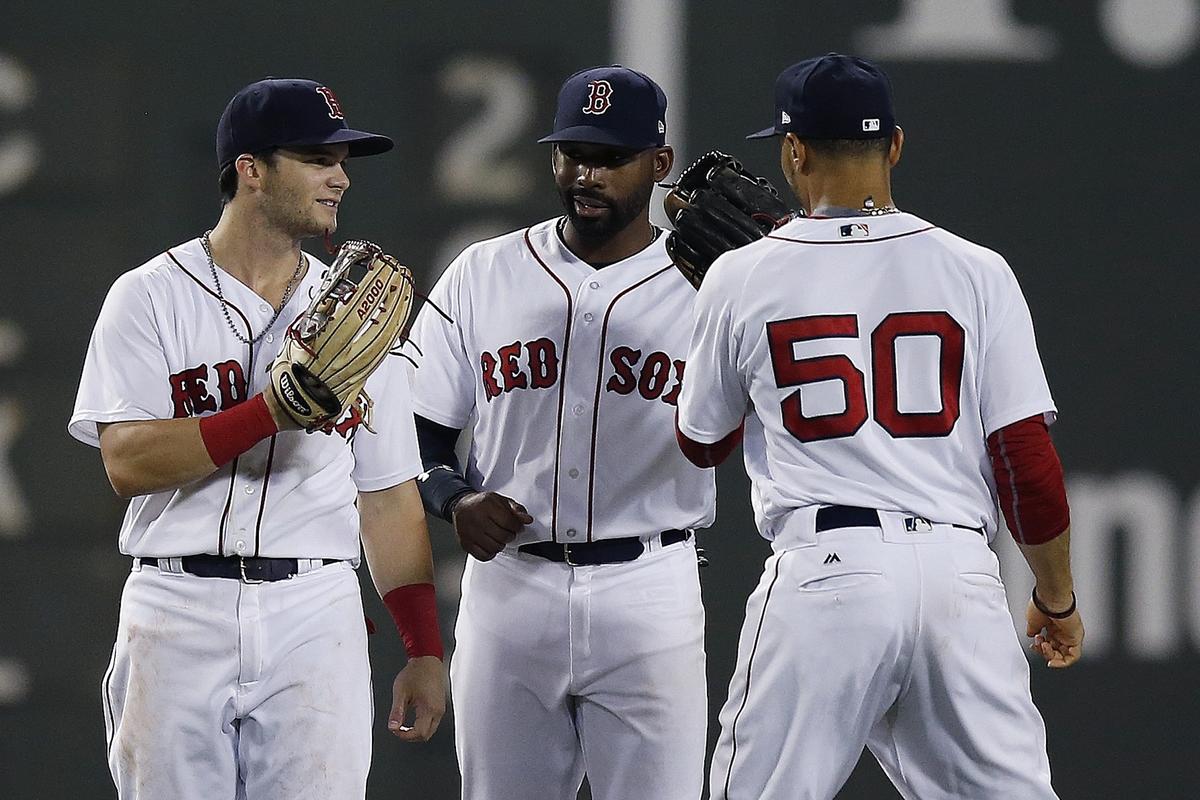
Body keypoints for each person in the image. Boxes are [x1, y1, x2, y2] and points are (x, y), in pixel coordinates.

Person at [675, 53, 1084, 800]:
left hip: (829, 570)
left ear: (793, 150)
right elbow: (1025, 461)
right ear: (894, 145)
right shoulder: (977, 269)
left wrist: (728, 308)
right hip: (961, 579)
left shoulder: (742, 275)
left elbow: (703, 442)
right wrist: (1056, 598)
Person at [68, 77, 445, 799]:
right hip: (176, 609)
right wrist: (267, 412)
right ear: (251, 169)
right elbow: (126, 461)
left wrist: (424, 648)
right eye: (316, 157)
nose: (340, 176)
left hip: (315, 611)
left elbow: (389, 495)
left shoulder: (361, 316)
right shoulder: (149, 296)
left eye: (343, 159)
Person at [407, 65, 710, 800]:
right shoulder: (484, 271)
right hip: (512, 587)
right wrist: (451, 496)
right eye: (573, 152)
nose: (586, 173)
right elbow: (413, 427)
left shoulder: (712, 285)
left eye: (611, 157)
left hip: (649, 586)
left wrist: (767, 286)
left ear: (660, 165)